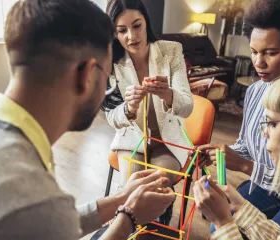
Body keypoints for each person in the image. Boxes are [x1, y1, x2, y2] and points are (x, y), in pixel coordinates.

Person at [0, 1, 175, 239]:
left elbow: (49, 223)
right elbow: (45, 214)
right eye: (106, 78)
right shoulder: (34, 196)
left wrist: (122, 199)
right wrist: (128, 218)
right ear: (86, 74)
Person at [192, 0, 280, 232]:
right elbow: (246, 143)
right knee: (218, 227)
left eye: (270, 53)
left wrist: (244, 166)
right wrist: (224, 154)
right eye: (253, 52)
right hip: (264, 186)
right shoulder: (254, 91)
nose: (258, 63)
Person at [193, 65, 280, 239]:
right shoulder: (254, 91)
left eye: (272, 124)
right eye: (254, 52)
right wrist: (240, 205)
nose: (264, 133)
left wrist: (222, 222)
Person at [102, 0, 193, 224]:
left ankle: (155, 221)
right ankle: (134, 228)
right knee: (133, 188)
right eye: (122, 30)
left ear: (146, 22)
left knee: (156, 184)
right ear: (114, 33)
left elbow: (188, 106)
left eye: (136, 26)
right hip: (132, 140)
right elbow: (112, 118)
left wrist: (168, 94)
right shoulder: (109, 62)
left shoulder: (171, 51)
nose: (131, 36)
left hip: (167, 141)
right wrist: (129, 107)